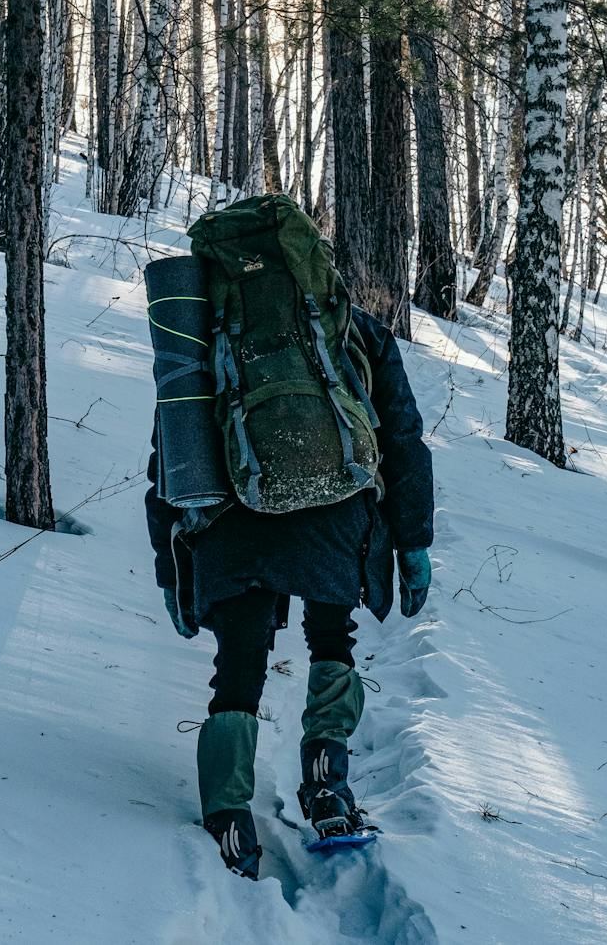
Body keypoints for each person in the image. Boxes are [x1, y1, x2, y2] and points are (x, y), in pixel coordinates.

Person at [145, 257, 435, 880]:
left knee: (241, 657)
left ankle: (228, 815)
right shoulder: (351, 329)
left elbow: (168, 453)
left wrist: (172, 571)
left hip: (231, 521)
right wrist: (412, 543)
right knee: (333, 636)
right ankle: (327, 783)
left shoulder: (201, 337)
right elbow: (405, 440)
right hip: (336, 514)